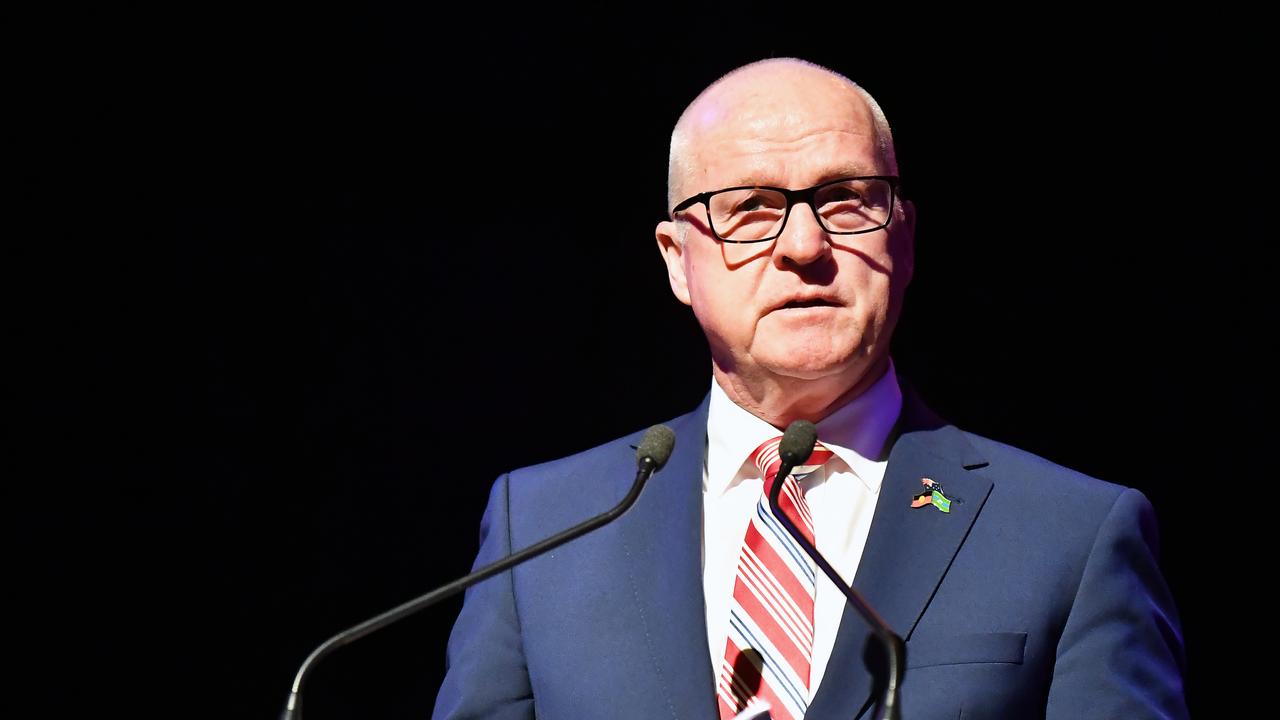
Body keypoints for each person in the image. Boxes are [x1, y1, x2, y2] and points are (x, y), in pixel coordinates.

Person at [433, 58, 1188, 720]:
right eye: (751, 210)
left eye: (845, 199)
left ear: (905, 236)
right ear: (676, 260)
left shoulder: (1070, 534)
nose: (804, 246)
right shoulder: (540, 530)